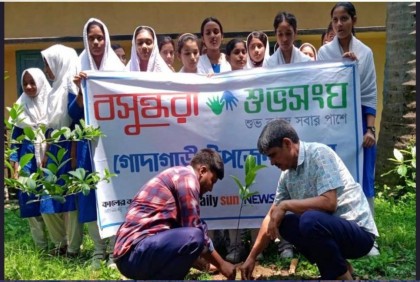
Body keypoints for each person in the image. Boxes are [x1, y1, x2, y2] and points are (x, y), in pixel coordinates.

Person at [239, 118, 379, 280]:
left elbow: (329, 202)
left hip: (358, 234)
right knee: (285, 223)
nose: (271, 162)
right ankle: (340, 267)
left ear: (287, 143)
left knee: (310, 220)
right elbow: (272, 216)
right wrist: (251, 257)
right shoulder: (286, 176)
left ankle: (340, 276)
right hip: (333, 233)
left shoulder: (320, 154)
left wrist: (285, 205)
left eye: (273, 155)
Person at [113, 148, 236, 280]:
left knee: (195, 231)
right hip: (135, 253)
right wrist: (222, 265)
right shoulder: (187, 178)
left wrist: (206, 265)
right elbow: (194, 234)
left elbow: (181, 239)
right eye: (213, 180)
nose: (211, 188)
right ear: (202, 171)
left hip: (132, 256)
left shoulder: (178, 175)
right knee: (194, 235)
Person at [317, 2, 379, 256]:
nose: (339, 24)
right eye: (335, 19)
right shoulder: (324, 53)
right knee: (335, 183)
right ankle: (341, 235)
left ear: (353, 20)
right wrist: (341, 71)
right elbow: (318, 89)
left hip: (359, 127)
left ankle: (370, 237)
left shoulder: (365, 52)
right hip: (333, 126)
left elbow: (370, 94)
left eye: (344, 18)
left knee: (364, 181)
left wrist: (370, 130)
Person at [72, 18, 126, 269]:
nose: (96, 42)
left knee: (115, 194)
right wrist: (81, 90)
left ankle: (117, 250)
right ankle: (98, 250)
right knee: (90, 196)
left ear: (106, 39)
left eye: (100, 37)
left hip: (114, 145)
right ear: (86, 39)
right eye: (91, 37)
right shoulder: (79, 71)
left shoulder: (119, 71)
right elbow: (73, 114)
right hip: (88, 146)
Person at [263, 11, 311, 258]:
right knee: (282, 185)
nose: (284, 38)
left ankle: (306, 237)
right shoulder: (269, 64)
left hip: (302, 127)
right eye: (280, 34)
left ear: (295, 33)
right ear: (275, 35)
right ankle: (285, 242)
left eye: (288, 33)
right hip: (279, 130)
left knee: (302, 184)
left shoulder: (306, 61)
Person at [41, 44, 82, 256]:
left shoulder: (72, 91)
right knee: (47, 199)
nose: (47, 69)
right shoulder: (53, 92)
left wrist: (74, 156)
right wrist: (46, 155)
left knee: (71, 200)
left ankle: (73, 247)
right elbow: (50, 128)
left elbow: (76, 124)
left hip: (69, 149)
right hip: (54, 149)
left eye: (48, 64)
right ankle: (60, 244)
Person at [9, 68, 51, 251]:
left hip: (50, 161)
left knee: (51, 202)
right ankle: (41, 246)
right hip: (28, 163)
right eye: (25, 83)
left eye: (33, 82)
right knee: (29, 203)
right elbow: (14, 141)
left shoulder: (52, 104)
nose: (28, 86)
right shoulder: (20, 107)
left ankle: (61, 245)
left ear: (41, 82)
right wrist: (15, 167)